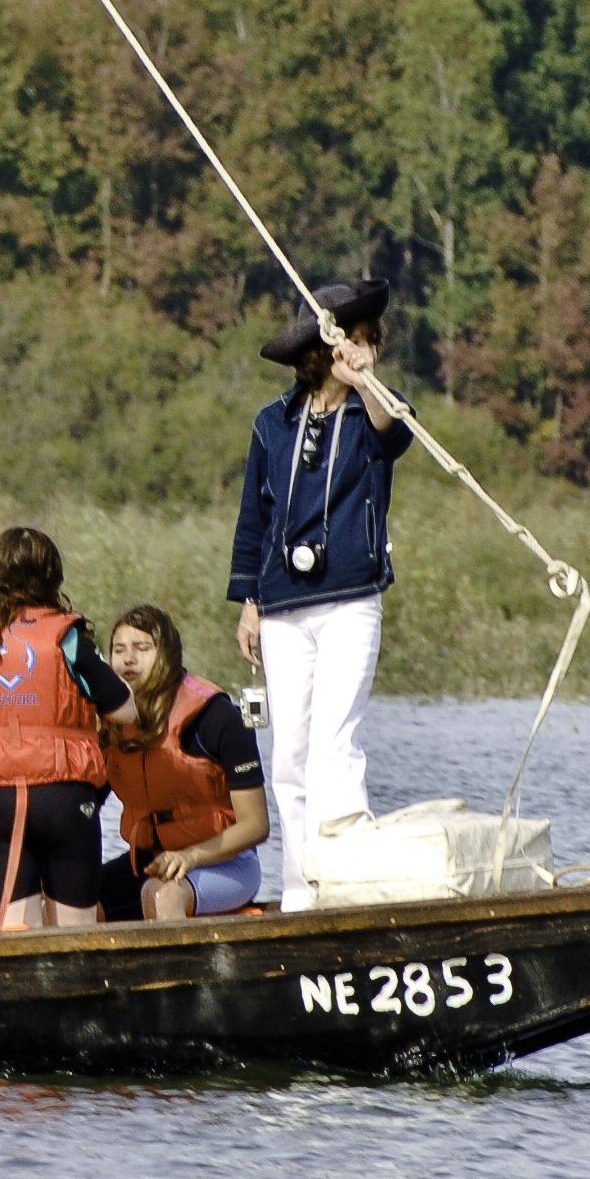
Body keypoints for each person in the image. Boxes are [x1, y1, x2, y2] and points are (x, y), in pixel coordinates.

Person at [229, 276, 411, 907]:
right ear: (319, 349)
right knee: (292, 756)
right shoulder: (272, 424)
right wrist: (249, 601)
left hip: (351, 599)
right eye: (349, 342)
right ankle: (301, 889)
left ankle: (348, 886)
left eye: (368, 342)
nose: (361, 351)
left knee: (337, 743)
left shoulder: (375, 406)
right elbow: (254, 517)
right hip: (282, 605)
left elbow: (396, 435)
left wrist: (365, 382)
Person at [0, 526, 133, 929]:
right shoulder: (67, 636)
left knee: (16, 935)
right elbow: (124, 712)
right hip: (64, 799)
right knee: (76, 936)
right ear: (53, 577)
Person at [93, 602, 269, 921]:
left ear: (167, 655)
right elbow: (86, 803)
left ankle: (175, 973)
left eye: (141, 648)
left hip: (227, 863)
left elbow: (256, 825)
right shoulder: (112, 724)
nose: (128, 659)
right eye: (119, 650)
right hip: (152, 861)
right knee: (76, 901)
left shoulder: (217, 717)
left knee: (160, 893)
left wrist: (190, 856)